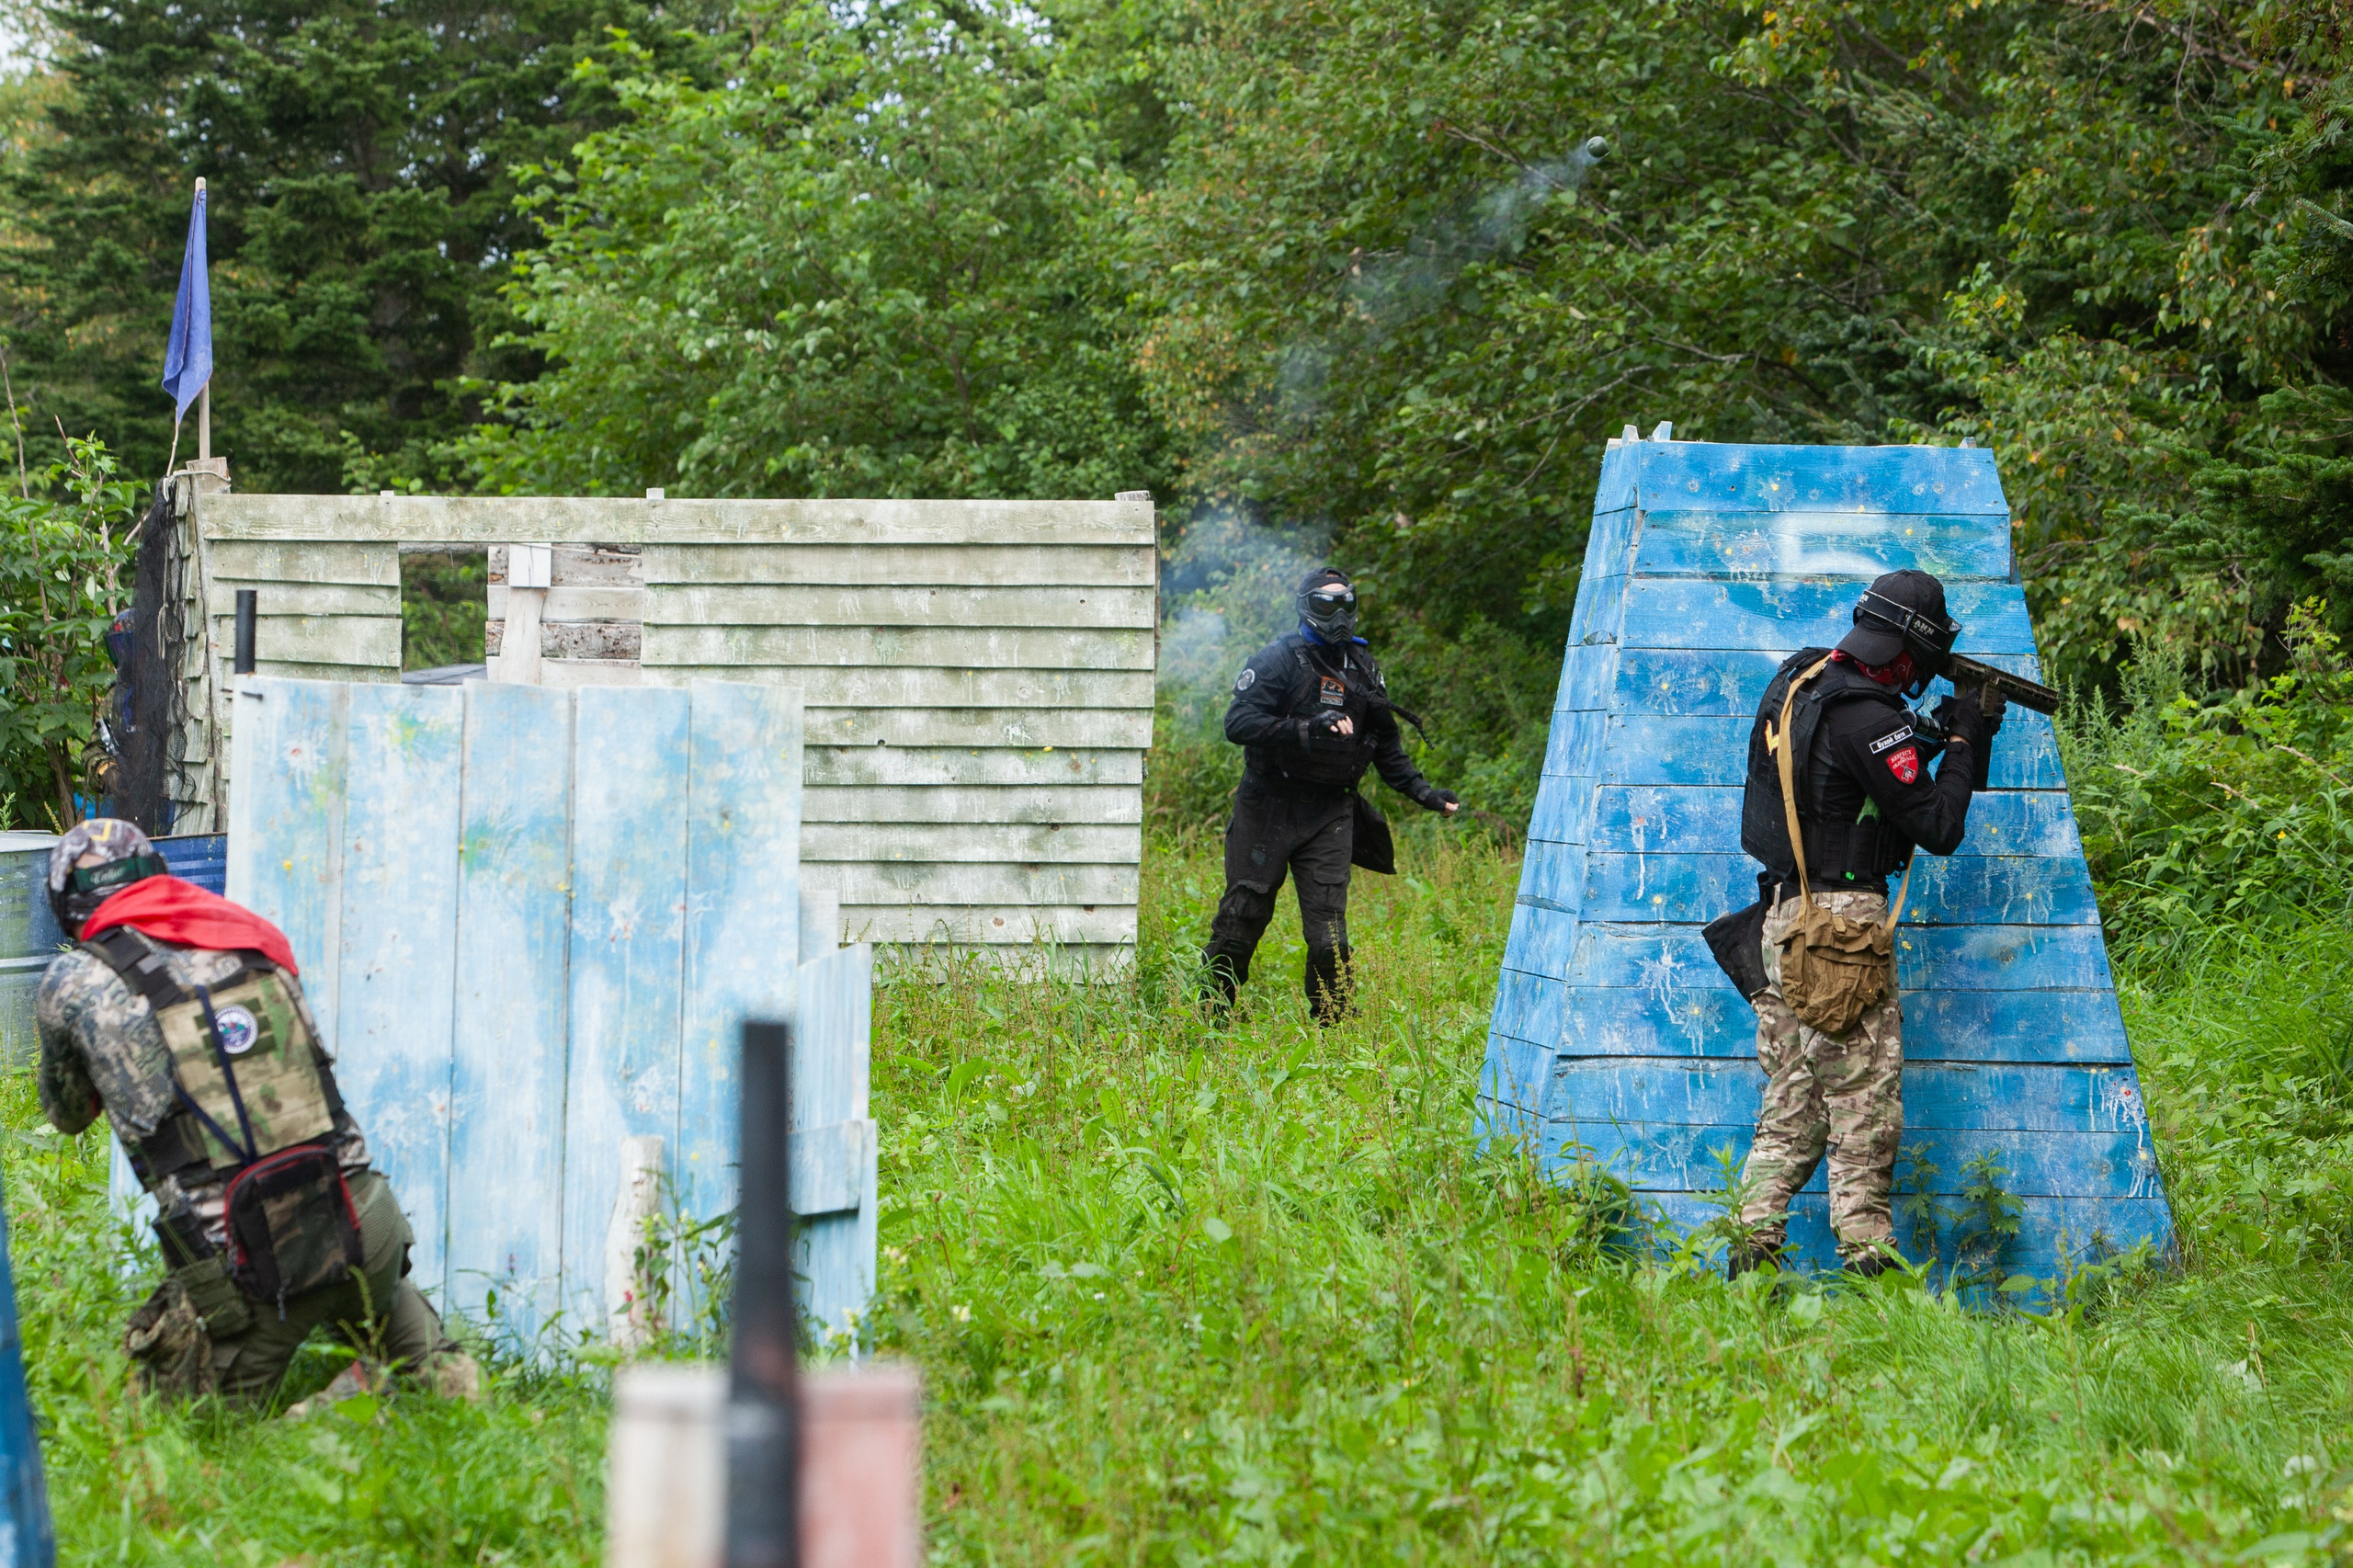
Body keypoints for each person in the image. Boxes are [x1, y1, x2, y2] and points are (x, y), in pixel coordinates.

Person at [35, 819, 480, 1408]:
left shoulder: (74, 982)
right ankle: (424, 1376)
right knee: (433, 1375)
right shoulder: (250, 941)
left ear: (69, 905)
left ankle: (346, 1408)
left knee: (197, 1431)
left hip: (247, 1263)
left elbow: (66, 1115)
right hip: (363, 1218)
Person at [1730, 570, 2006, 1278]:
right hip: (1840, 931)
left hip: (1782, 916)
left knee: (1792, 1104)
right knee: (1864, 1106)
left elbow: (1845, 774)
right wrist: (1967, 742)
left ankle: (1747, 1256)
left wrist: (1929, 736)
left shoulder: (1804, 684)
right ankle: (1867, 1267)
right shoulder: (1873, 718)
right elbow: (1939, 827)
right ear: (1909, 657)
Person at [1201, 567, 1460, 1022]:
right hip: (1269, 809)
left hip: (1329, 813)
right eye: (1326, 605)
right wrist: (1306, 728)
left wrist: (1424, 793)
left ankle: (1335, 1028)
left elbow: (1386, 745)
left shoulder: (1362, 666)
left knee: (1329, 934)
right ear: (1307, 606)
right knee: (1243, 916)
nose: (1338, 616)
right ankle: (1208, 1015)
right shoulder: (1279, 659)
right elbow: (1237, 724)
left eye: (1346, 604)